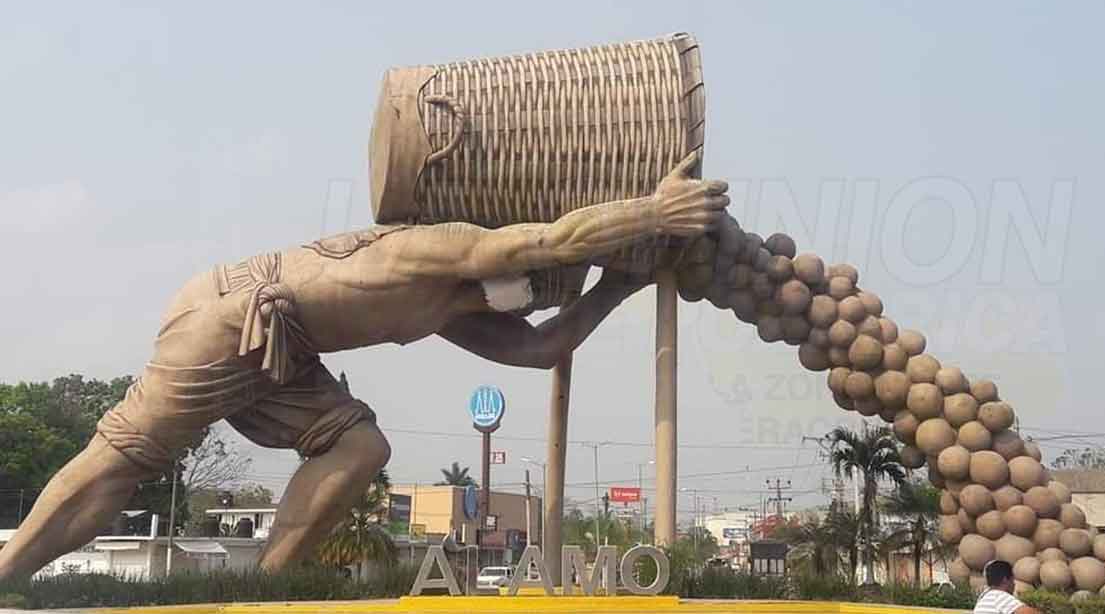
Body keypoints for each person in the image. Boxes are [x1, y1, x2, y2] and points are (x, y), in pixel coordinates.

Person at [0, 152, 729, 581]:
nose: (524, 297)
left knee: (360, 445)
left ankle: (267, 588)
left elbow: (541, 350)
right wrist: (655, 212)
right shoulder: (441, 249)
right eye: (528, 284)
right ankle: (9, 576)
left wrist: (620, 286)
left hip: (287, 358)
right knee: (120, 461)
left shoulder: (451, 308)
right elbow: (555, 237)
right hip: (230, 319)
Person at [974, 560, 1040, 614]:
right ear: (1005, 580)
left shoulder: (984, 597)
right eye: (1012, 580)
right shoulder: (1000, 596)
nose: (1014, 584)